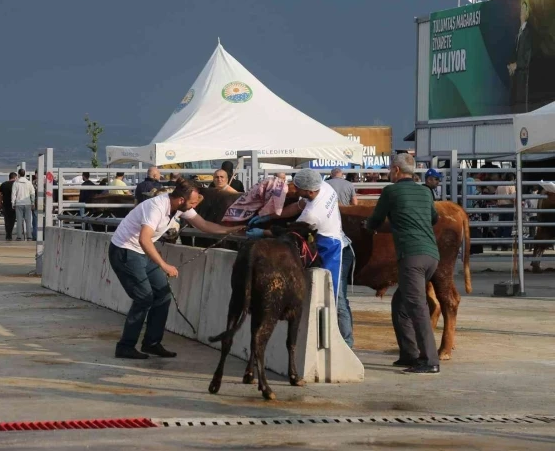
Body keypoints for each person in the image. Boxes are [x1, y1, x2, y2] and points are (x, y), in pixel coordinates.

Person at [110, 179, 246, 359]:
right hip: (125, 251)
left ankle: (152, 343)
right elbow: (144, 239)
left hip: (141, 252)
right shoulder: (157, 207)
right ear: (181, 200)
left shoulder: (181, 207)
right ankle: (125, 346)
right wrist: (164, 265)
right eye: (192, 202)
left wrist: (232, 230)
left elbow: (204, 225)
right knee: (144, 298)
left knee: (163, 293)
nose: (194, 205)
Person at [246, 169, 355, 347]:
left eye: (298, 188)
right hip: (332, 240)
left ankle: (346, 344)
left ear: (309, 191)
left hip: (333, 249)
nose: (295, 190)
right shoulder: (325, 187)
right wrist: (268, 216)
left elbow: (293, 233)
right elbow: (297, 206)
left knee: (336, 299)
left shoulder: (313, 214)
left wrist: (263, 232)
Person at [366, 153, 440, 375]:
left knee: (417, 308)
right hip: (431, 257)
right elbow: (433, 218)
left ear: (396, 171)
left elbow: (375, 221)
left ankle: (429, 360)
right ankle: (409, 354)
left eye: (390, 169)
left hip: (412, 257)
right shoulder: (425, 192)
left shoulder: (391, 191)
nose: (390, 172)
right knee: (400, 304)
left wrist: (367, 226)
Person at [508, 0, 532, 114]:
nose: (521, 11)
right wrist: (511, 67)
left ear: (528, 12)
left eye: (524, 9)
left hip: (524, 82)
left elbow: (528, 59)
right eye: (520, 9)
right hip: (515, 83)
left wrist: (517, 65)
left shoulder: (529, 33)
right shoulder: (518, 34)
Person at [495, 173, 516, 251]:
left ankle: (495, 244)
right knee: (508, 226)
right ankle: (505, 245)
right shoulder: (511, 185)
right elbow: (513, 198)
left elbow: (495, 195)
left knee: (500, 225)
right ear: (512, 179)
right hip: (509, 206)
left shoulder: (500, 185)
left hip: (500, 206)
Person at [12, 168, 34, 241]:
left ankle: (19, 236)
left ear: (18, 174)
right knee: (28, 220)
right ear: (24, 174)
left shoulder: (16, 183)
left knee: (19, 221)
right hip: (27, 203)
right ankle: (29, 236)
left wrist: (13, 203)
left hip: (18, 204)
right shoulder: (29, 182)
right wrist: (32, 202)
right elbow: (32, 193)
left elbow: (13, 194)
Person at [0, 172, 17, 241]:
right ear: (15, 177)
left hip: (5, 204)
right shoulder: (16, 184)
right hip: (14, 204)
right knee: (12, 220)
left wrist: (0, 203)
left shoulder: (4, 184)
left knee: (6, 220)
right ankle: (10, 233)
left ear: (9, 177)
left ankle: (8, 234)